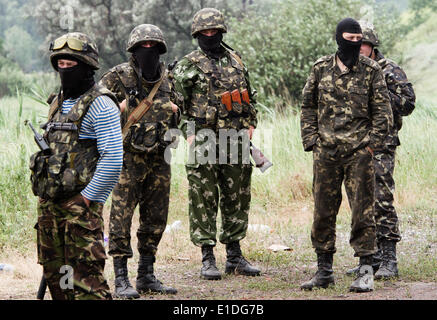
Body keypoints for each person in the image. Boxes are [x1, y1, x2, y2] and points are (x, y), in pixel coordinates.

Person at [299, 18, 393, 292]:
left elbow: (383, 113)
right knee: (323, 212)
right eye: (349, 39)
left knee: (363, 212)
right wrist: (311, 140)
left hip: (358, 154)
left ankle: (365, 270)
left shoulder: (371, 70)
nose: (354, 44)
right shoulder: (320, 69)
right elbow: (307, 106)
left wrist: (370, 146)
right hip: (325, 153)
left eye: (358, 40)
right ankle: (324, 271)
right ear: (338, 38)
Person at [30, 32, 123, 300]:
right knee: (59, 281)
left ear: (87, 66)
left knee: (86, 285)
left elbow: (113, 159)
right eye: (61, 64)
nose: (65, 69)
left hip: (80, 211)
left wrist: (86, 199)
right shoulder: (58, 102)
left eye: (72, 64)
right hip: (50, 211)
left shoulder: (101, 104)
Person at [173, 8, 260, 281]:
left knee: (237, 196)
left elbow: (250, 95)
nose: (210, 36)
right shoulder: (187, 65)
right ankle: (207, 257)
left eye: (214, 32)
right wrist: (188, 133)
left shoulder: (236, 60)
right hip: (203, 139)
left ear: (221, 32)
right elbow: (176, 106)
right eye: (204, 33)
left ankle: (234, 256)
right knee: (203, 197)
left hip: (235, 138)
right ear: (197, 34)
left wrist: (251, 124)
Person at [99, 24, 182, 298]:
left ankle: (146, 275)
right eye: (142, 47)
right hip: (126, 160)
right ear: (133, 51)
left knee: (156, 218)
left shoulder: (169, 79)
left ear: (161, 50)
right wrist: (117, 109)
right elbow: (94, 107)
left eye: (153, 47)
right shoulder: (117, 77)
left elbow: (180, 115)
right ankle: (121, 279)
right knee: (121, 219)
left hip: (160, 159)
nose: (148, 52)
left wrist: (174, 112)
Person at [345, 27, 416, 279]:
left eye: (362, 44)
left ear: (372, 47)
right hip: (354, 145)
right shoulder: (350, 69)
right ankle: (370, 257)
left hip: (382, 145)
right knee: (358, 203)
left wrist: (379, 97)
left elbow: (408, 102)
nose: (358, 48)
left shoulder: (389, 69)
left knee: (381, 200)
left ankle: (389, 258)